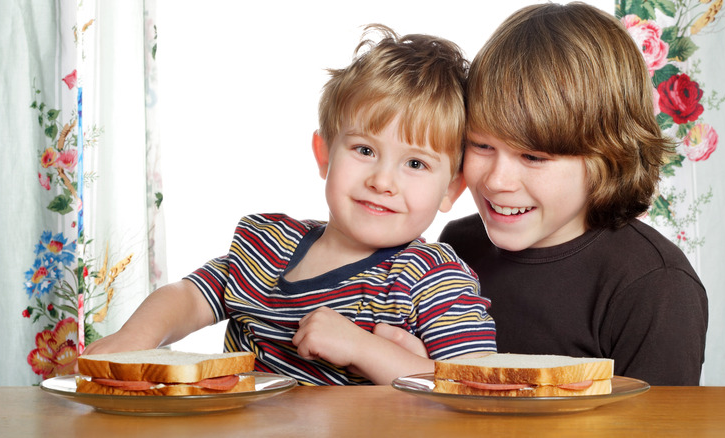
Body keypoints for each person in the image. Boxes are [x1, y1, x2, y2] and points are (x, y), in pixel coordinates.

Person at [81, 25, 496, 385]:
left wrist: (362, 348)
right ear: (324, 155)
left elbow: (473, 383)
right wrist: (134, 340)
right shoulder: (268, 244)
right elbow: (189, 297)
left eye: (416, 163)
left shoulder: (433, 278)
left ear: (451, 190)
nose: (383, 181)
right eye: (365, 150)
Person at [378, 2, 708, 386]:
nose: (498, 180)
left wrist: (435, 379)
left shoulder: (655, 286)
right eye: (481, 146)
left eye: (533, 156)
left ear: (607, 155)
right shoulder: (456, 248)